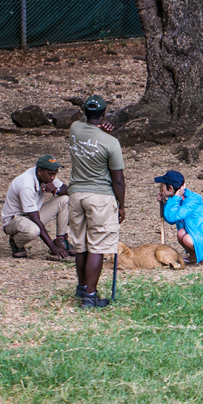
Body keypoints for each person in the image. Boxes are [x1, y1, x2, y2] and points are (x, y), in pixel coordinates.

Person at [67, 95, 125, 308]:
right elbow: (117, 179)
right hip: (100, 196)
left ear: (84, 113)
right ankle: (90, 296)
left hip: (75, 195)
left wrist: (99, 126)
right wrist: (122, 205)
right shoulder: (111, 142)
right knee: (97, 247)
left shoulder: (74, 129)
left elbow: (86, 128)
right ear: (104, 113)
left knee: (81, 246)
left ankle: (82, 287)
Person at [2, 154, 72, 260]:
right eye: (50, 174)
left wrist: (55, 190)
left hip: (32, 214)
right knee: (33, 230)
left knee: (65, 200)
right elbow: (35, 220)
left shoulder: (46, 176)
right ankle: (16, 242)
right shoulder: (26, 185)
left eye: (55, 174)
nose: (53, 177)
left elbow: (66, 190)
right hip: (14, 220)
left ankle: (60, 240)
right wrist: (52, 248)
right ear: (40, 171)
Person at [156, 170, 203, 268]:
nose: (161, 190)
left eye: (162, 187)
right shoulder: (179, 199)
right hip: (198, 231)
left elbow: (172, 217)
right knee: (180, 233)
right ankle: (194, 256)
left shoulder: (191, 201)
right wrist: (165, 203)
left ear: (171, 188)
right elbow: (170, 219)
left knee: (187, 239)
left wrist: (174, 199)